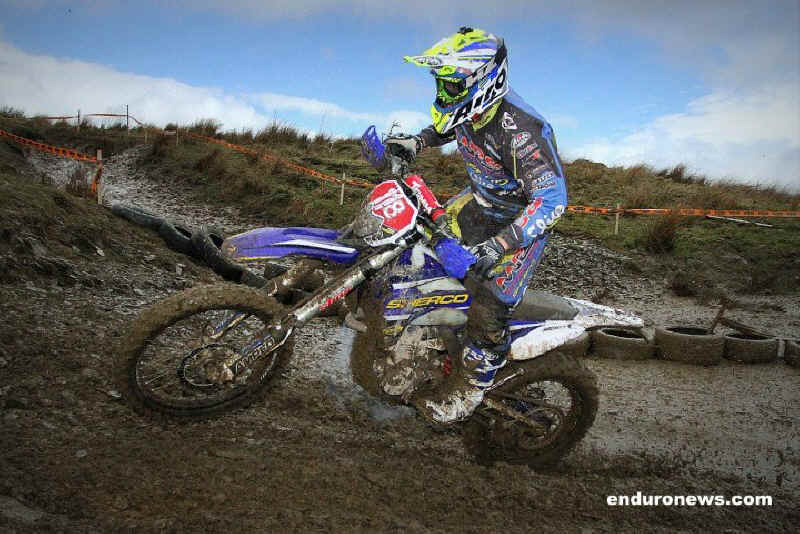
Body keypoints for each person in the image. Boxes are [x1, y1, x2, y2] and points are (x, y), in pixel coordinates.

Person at [384, 27, 568, 424]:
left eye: (452, 85)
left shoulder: (522, 130)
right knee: (417, 247)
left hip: (518, 223)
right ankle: (430, 338)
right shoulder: (471, 108)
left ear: (484, 81)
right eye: (441, 84)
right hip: (478, 202)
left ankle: (470, 388)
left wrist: (499, 245)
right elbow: (450, 124)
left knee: (489, 304)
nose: (444, 92)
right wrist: (417, 142)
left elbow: (552, 200)